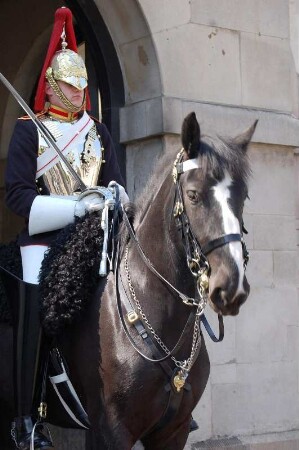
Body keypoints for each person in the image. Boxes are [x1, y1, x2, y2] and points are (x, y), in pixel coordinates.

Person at [4, 7, 128, 449]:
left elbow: (114, 180)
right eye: (69, 86)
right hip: (44, 239)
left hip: (95, 237)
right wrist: (74, 208)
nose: (78, 93)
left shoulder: (98, 134)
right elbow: (17, 197)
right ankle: (27, 417)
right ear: (53, 85)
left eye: (81, 85)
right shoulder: (29, 132)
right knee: (35, 299)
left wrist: (116, 196)